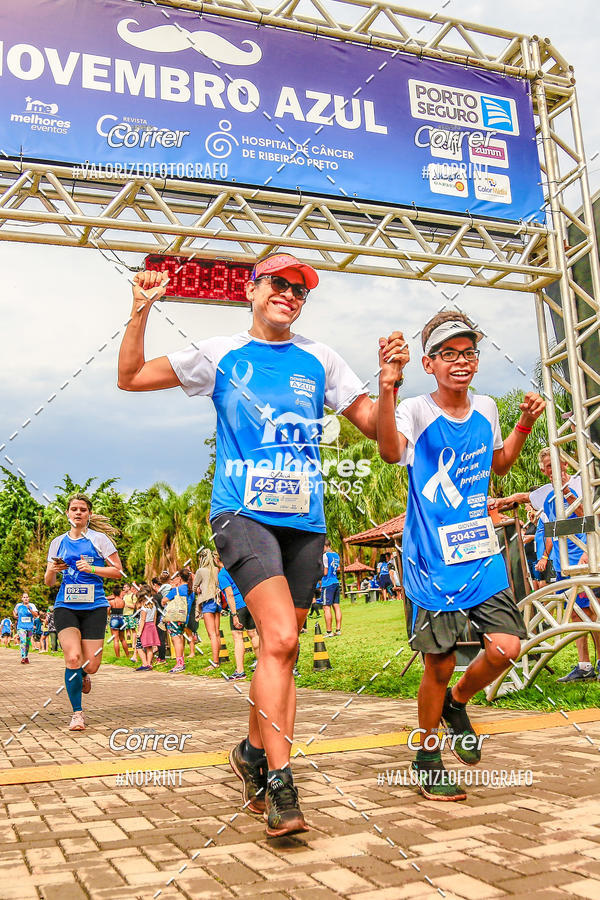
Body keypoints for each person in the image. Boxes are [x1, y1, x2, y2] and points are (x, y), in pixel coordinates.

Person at [118, 253, 400, 837]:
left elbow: (378, 430)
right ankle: (281, 783)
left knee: (282, 652)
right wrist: (141, 309)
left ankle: (251, 751)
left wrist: (389, 383)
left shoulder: (320, 360)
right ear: (252, 290)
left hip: (305, 523)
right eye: (280, 283)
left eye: (301, 290)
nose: (291, 295)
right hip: (242, 515)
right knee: (282, 637)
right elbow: (131, 376)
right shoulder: (221, 354)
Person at [376, 310, 545, 801]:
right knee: (440, 663)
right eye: (448, 354)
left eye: (468, 352)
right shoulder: (415, 409)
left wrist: (524, 426)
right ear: (429, 364)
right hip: (430, 560)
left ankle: (457, 704)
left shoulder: (488, 408)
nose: (461, 362)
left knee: (506, 648)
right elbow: (390, 452)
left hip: (479, 554)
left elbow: (500, 462)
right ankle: (427, 756)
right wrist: (387, 387)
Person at [44, 493, 123, 731]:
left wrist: (93, 568)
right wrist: (53, 570)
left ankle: (83, 675)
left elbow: (119, 572)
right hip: (65, 606)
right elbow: (48, 582)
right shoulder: (58, 542)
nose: (78, 513)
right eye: (74, 509)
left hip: (95, 607)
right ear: (67, 513)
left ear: (89, 514)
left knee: (90, 665)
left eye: (83, 509)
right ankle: (77, 713)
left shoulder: (100, 540)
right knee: (72, 658)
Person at [529, 450, 597, 682]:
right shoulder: (546, 497)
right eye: (548, 466)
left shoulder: (580, 485)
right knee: (576, 615)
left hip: (585, 561)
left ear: (565, 465)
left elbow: (586, 518)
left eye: (556, 465)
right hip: (563, 564)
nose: (553, 470)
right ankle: (584, 666)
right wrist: (548, 556)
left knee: (594, 613)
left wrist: (567, 492)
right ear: (543, 469)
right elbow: (552, 529)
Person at [218, 561, 260, 680]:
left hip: (238, 606)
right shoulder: (240, 568)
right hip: (250, 603)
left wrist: (234, 614)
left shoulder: (223, 574)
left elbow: (229, 594)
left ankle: (240, 671)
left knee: (237, 637)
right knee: (253, 634)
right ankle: (262, 666)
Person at [193, 549, 221, 669]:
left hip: (207, 601)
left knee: (212, 634)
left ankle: (215, 662)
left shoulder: (200, 571)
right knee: (217, 633)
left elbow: (194, 587)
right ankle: (219, 659)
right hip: (217, 600)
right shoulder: (215, 569)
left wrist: (198, 589)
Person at [163, 570, 190, 674]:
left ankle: (179, 663)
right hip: (184, 617)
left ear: (180, 578)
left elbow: (164, 600)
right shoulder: (190, 589)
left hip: (175, 617)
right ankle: (181, 660)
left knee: (176, 639)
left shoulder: (176, 590)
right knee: (181, 637)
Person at [136, 590, 160, 670]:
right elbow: (155, 618)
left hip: (145, 627)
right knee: (149, 647)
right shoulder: (154, 607)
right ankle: (149, 664)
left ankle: (144, 663)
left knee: (139, 646)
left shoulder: (143, 609)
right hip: (151, 627)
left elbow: (142, 620)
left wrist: (139, 632)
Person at [322, 540, 342, 636]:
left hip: (327, 583)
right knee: (336, 606)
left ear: (325, 546)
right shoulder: (336, 555)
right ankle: (338, 630)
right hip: (335, 581)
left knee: (326, 607)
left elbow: (325, 572)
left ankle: (329, 631)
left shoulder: (325, 555)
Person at [13, 593, 37, 663]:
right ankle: (23, 657)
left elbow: (36, 615)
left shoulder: (32, 605)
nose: (25, 598)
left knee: (27, 643)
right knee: (23, 641)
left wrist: (29, 609)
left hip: (29, 627)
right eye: (24, 597)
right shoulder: (18, 605)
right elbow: (14, 611)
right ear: (22, 598)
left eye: (27, 597)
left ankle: (26, 656)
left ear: (29, 598)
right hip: (21, 627)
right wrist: (15, 616)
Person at [108, 585, 129, 658]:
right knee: (122, 639)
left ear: (113, 594)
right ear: (120, 593)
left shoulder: (111, 602)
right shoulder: (123, 601)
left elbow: (108, 611)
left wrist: (110, 615)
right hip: (121, 619)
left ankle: (118, 657)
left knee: (115, 639)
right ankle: (127, 655)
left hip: (114, 619)